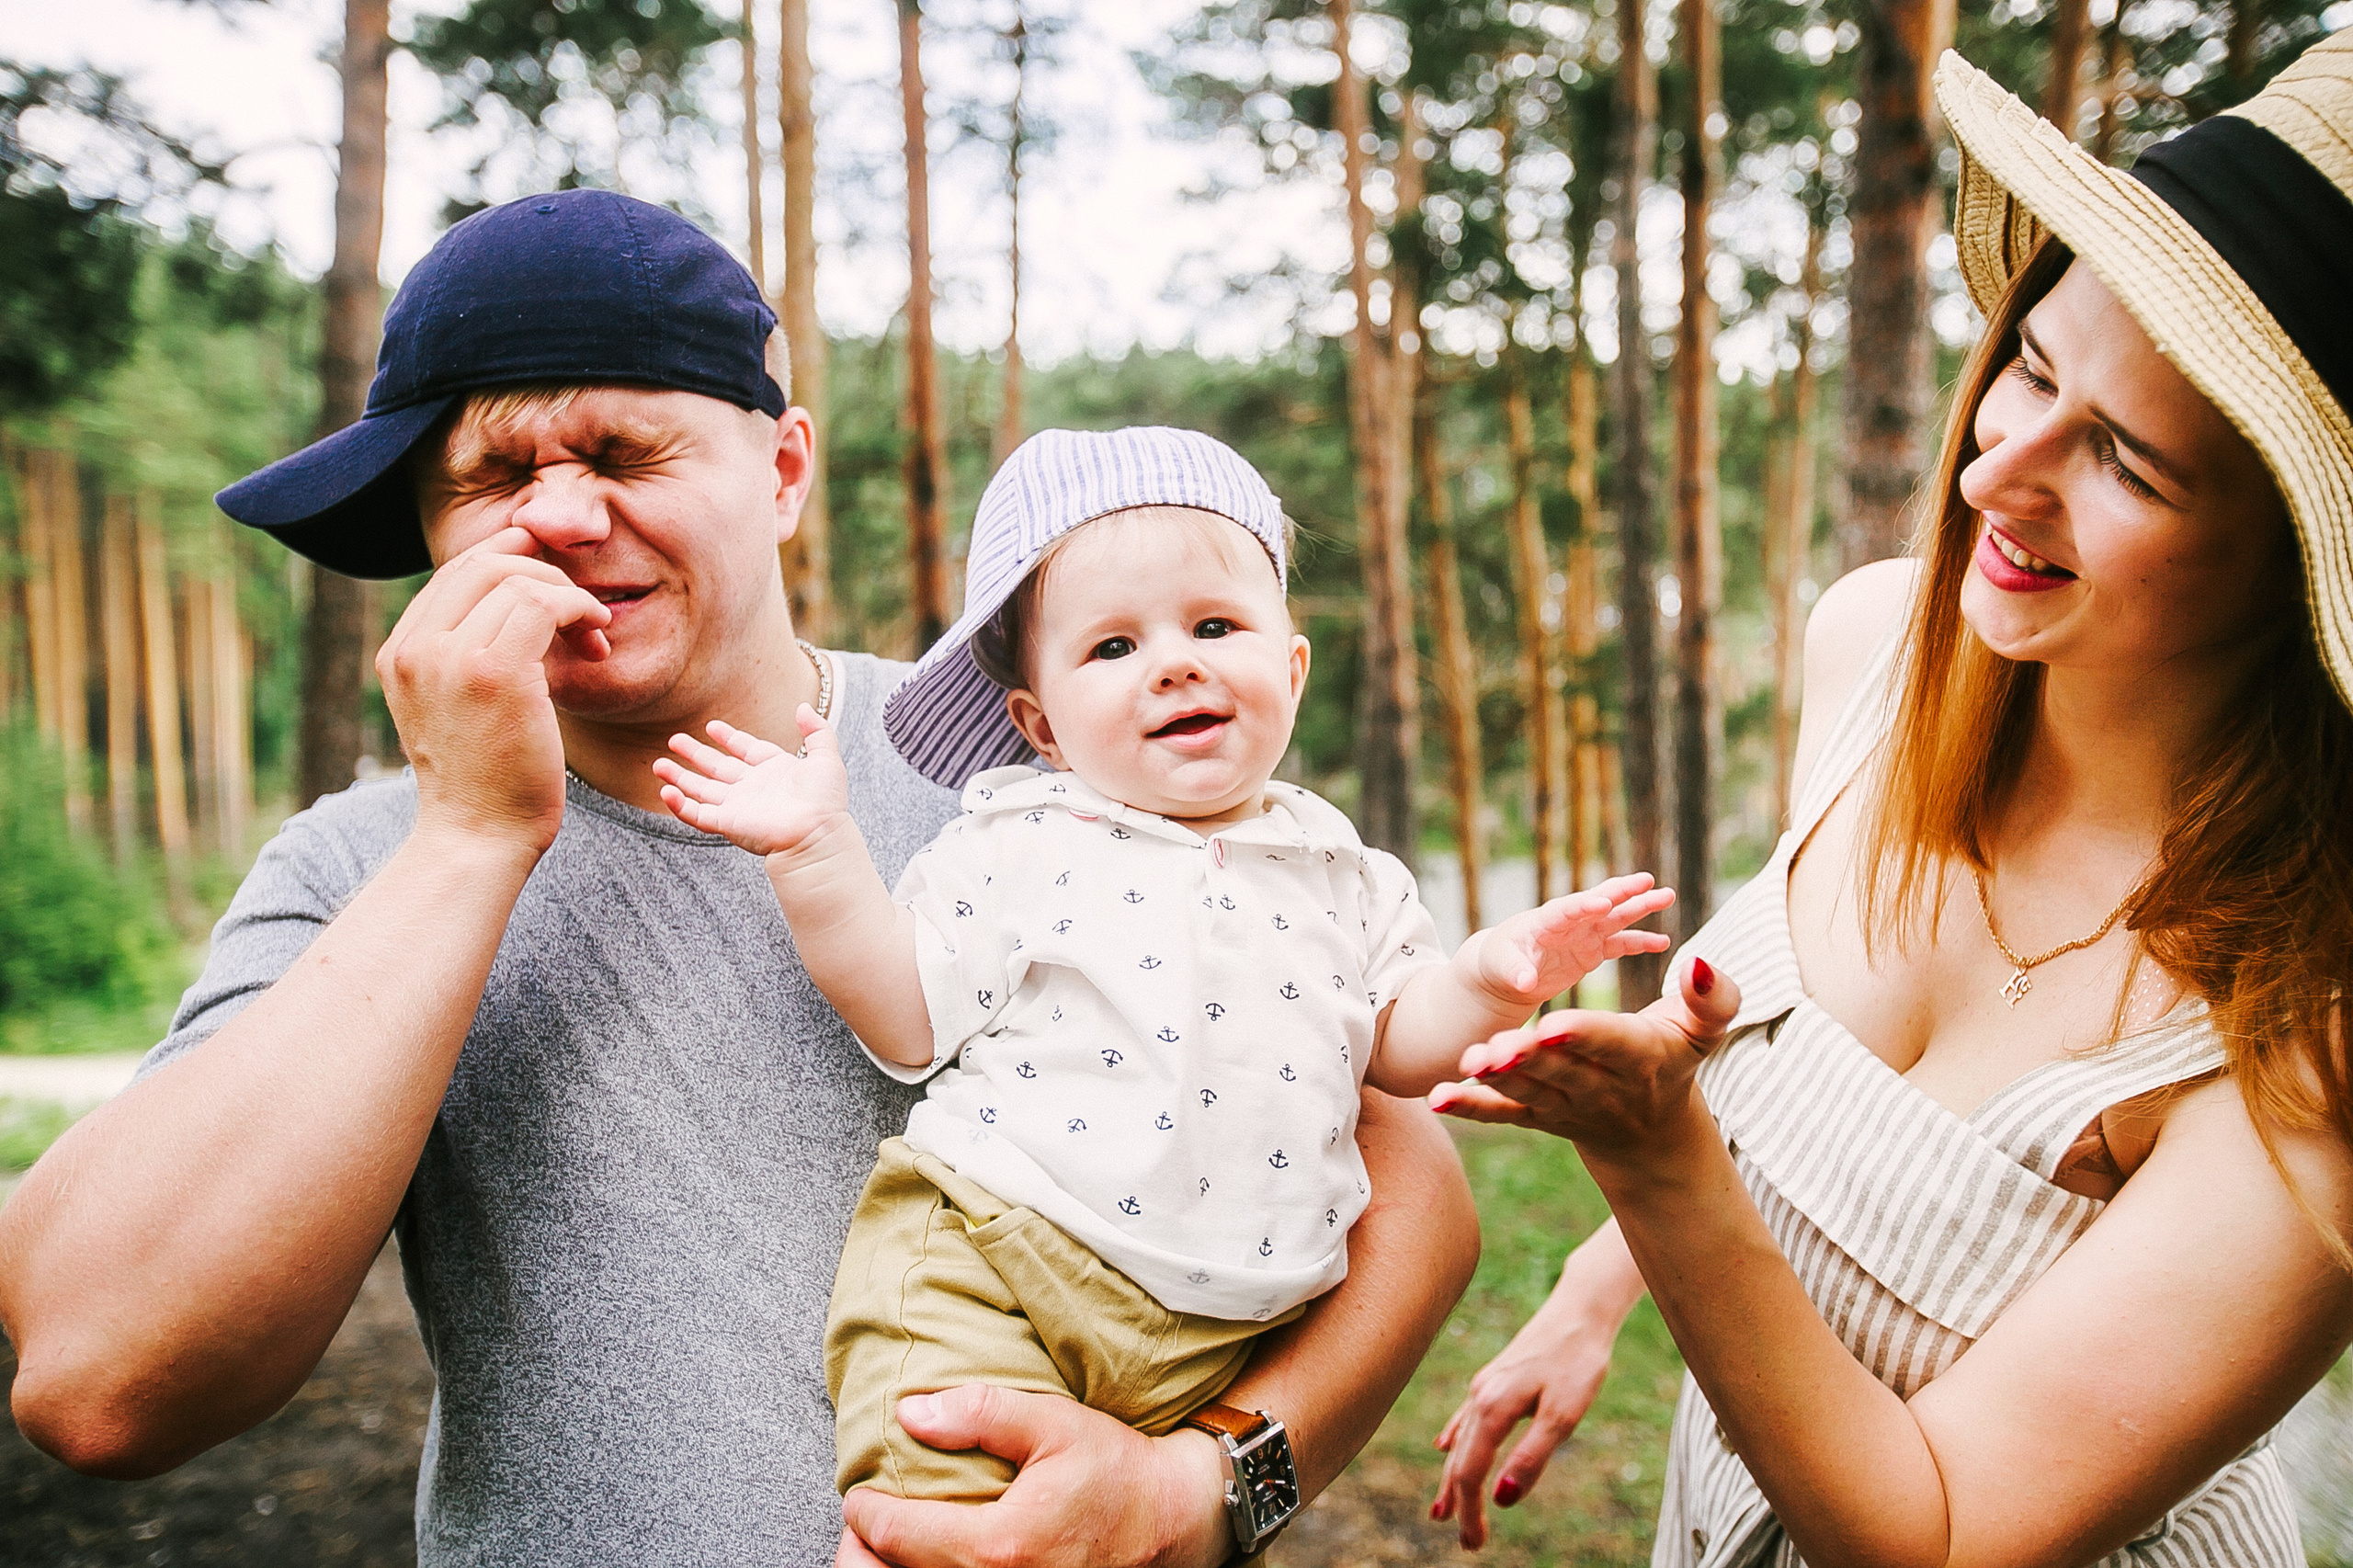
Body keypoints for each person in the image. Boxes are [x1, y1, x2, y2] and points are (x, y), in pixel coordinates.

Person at [0, 189, 1481, 1568]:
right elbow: (106, 1383)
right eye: (493, 476)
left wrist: (1205, 1492)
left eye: (622, 454)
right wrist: (468, 839)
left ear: (783, 471)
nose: (560, 518)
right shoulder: (360, 868)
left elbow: (1418, 1203)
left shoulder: (1050, 770)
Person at [1428, 37, 2353, 1568]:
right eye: (2031, 369)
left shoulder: (2304, 1032)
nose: (2002, 473)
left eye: (2122, 457)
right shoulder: (1875, 651)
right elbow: (1795, 1099)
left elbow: (1936, 1534)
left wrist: (1656, 1168)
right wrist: (1593, 1291)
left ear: (2297, 573)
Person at [650, 426, 1673, 1530]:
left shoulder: (1340, 867)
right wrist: (817, 853)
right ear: (1038, 725)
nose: (1175, 662)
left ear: (1289, 667)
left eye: (1215, 626)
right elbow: (904, 1014)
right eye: (1111, 648)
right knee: (932, 1529)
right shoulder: (1020, 839)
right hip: (1000, 1269)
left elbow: (1402, 1047)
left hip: (1228, 1333)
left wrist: (1490, 976)